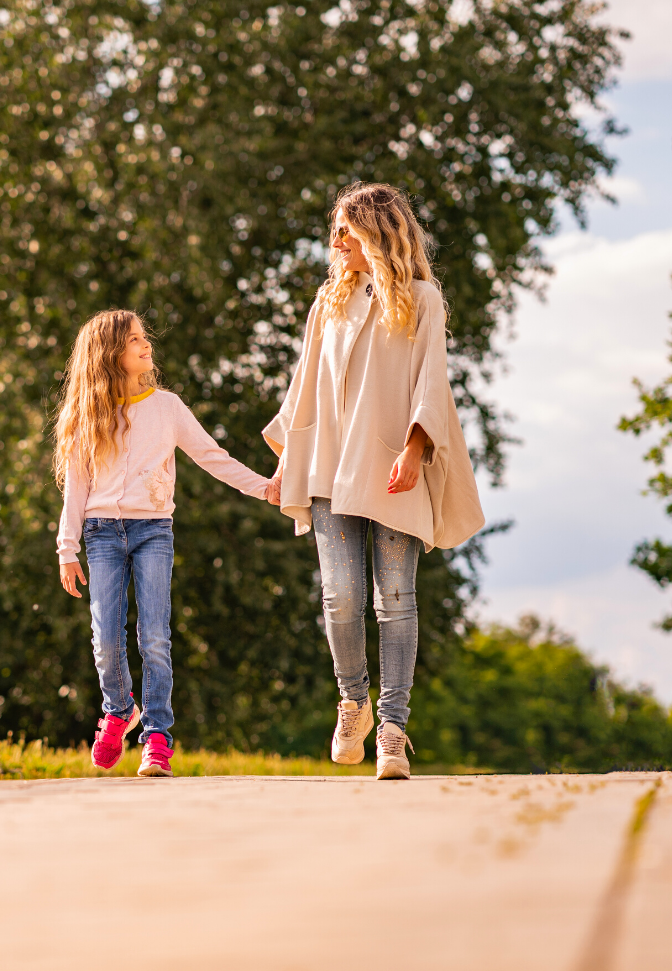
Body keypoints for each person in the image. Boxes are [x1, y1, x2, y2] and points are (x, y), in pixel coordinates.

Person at [263, 182, 484, 779]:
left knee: (396, 601)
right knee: (341, 598)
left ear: (378, 234)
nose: (335, 240)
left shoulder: (421, 299)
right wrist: (290, 459)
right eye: (334, 228)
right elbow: (305, 382)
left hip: (392, 466)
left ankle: (391, 728)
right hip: (330, 465)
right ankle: (354, 701)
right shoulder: (328, 301)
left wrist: (416, 448)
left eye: (346, 229)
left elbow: (431, 381)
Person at [54, 310, 273, 778]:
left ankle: (157, 737)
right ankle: (118, 709)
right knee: (105, 641)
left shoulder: (168, 407)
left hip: (153, 530)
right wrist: (66, 548)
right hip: (100, 533)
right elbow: (76, 484)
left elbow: (214, 457)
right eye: (133, 340)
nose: (145, 344)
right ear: (111, 354)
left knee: (155, 637)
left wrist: (265, 487)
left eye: (142, 337)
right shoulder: (88, 414)